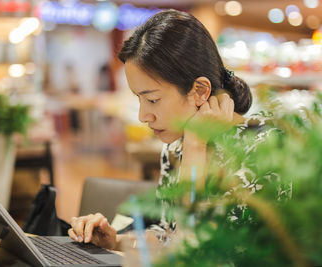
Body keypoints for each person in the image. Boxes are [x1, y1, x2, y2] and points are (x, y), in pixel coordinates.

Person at [67, 9, 272, 250]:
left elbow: (197, 250)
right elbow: (169, 235)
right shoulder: (176, 146)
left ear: (199, 91)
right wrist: (116, 241)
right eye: (139, 99)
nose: (143, 116)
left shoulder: (266, 150)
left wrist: (196, 146)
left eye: (152, 100)